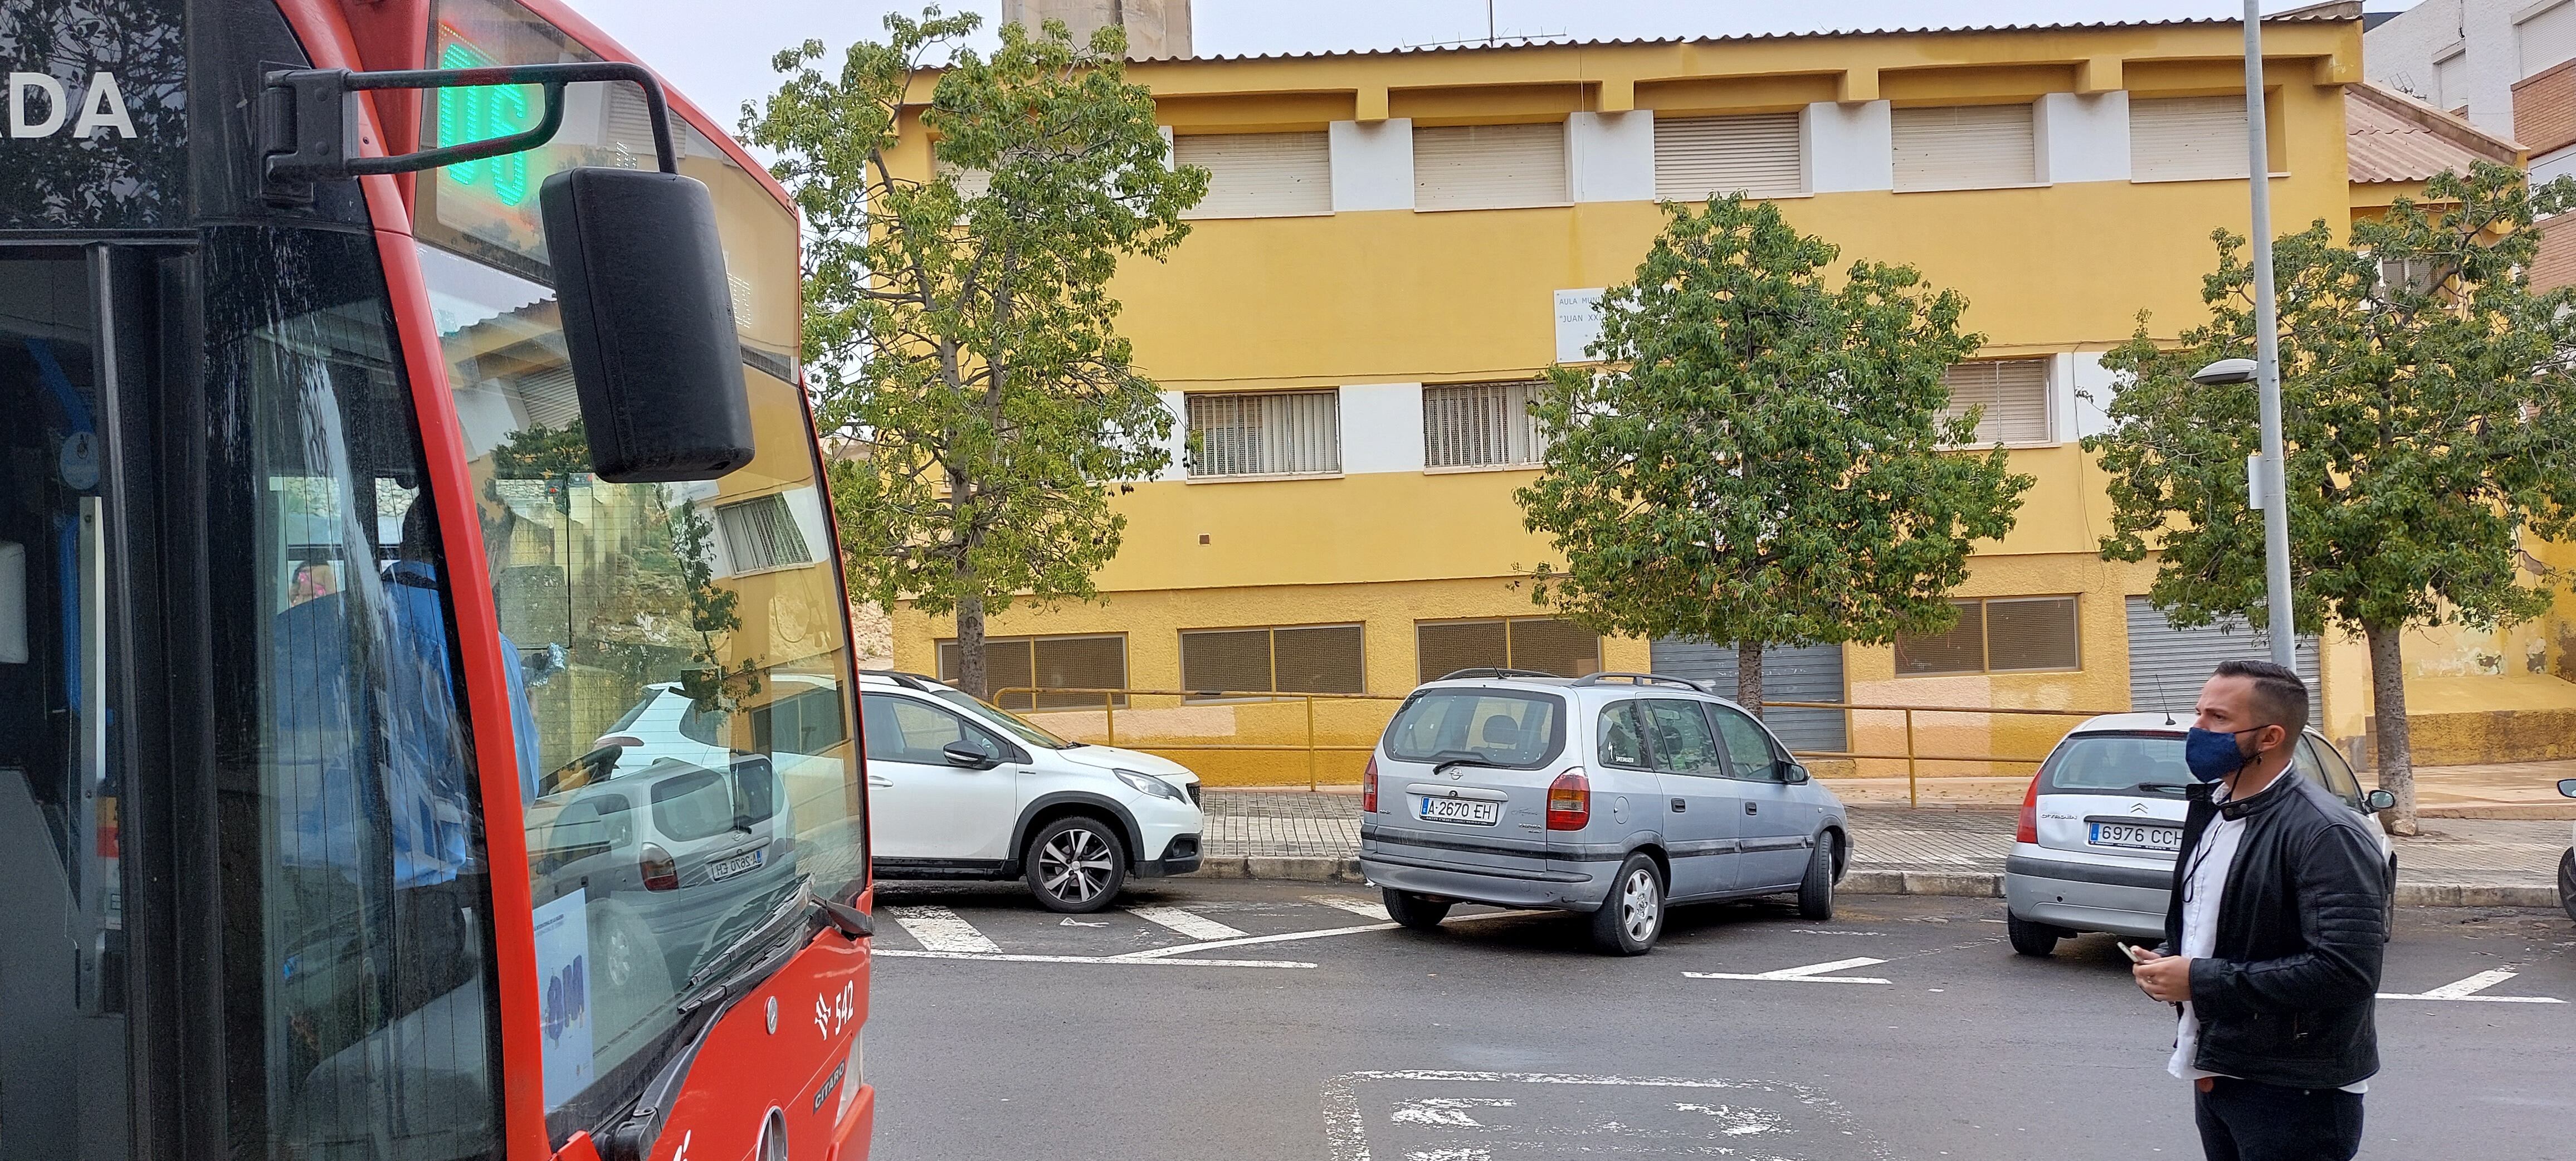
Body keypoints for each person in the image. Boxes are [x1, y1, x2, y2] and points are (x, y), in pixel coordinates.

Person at [2131, 660, 2389, 1161]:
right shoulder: (2214, 810)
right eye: (2198, 713)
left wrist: (2200, 980)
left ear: (2270, 737)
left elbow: (2347, 970)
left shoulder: (2325, 833)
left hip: (2296, 1090)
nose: (2197, 729)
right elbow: (2218, 928)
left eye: (2217, 719)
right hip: (2220, 1067)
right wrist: (2167, 960)